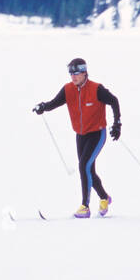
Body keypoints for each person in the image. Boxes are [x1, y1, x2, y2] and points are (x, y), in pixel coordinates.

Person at [33, 57, 121, 218]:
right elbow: (54, 102)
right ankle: (104, 198)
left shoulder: (96, 89)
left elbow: (114, 101)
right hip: (80, 135)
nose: (73, 77)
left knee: (83, 167)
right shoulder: (68, 89)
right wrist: (43, 107)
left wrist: (117, 124)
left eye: (77, 73)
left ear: (85, 73)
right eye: (71, 73)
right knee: (88, 170)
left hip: (97, 133)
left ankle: (84, 207)